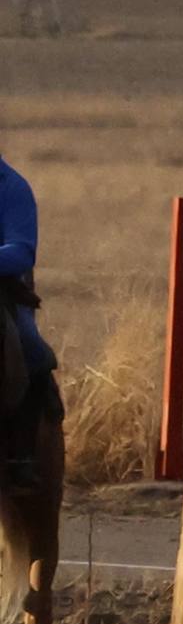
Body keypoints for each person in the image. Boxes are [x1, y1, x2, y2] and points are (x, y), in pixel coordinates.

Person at [0, 138, 56, 489]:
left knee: (33, 347)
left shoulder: (12, 187)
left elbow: (21, 251)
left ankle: (24, 453)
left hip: (2, 292)